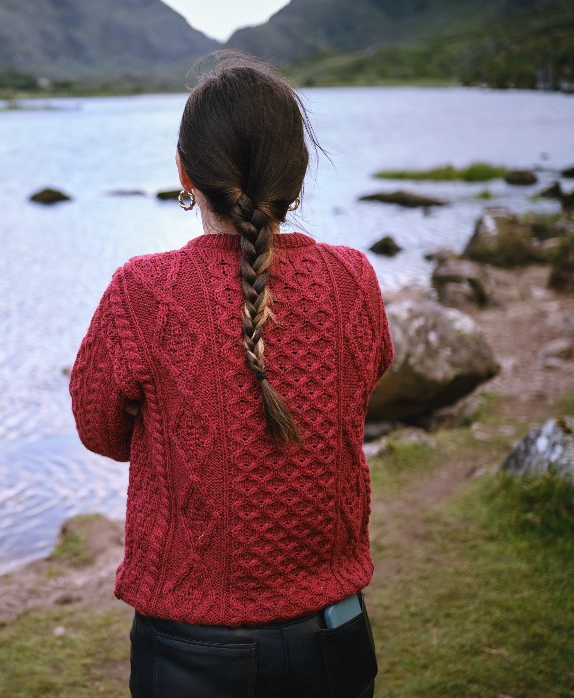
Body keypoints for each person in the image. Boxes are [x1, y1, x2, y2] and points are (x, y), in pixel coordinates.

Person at [69, 51, 394, 697]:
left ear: (184, 172)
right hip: (336, 634)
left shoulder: (145, 291)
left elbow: (100, 430)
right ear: (296, 174)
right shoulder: (352, 279)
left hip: (193, 650)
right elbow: (361, 386)